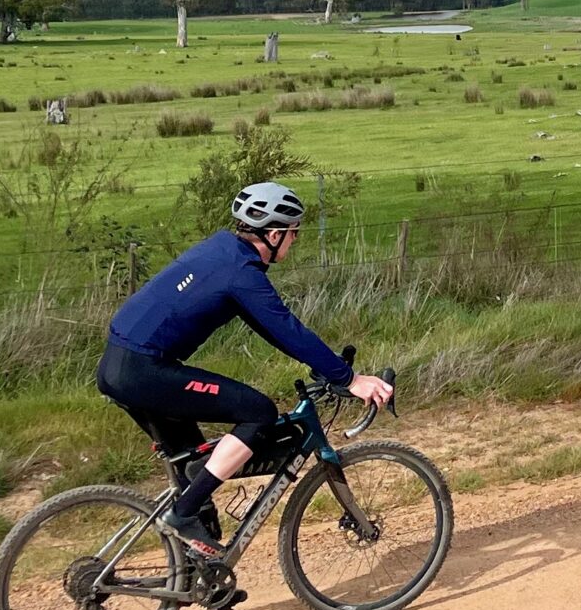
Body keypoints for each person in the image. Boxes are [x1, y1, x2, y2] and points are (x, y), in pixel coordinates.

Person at [95, 181, 393, 561]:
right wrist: (349, 379)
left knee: (193, 469)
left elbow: (273, 330)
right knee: (258, 412)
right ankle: (182, 515)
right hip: (143, 370)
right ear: (273, 234)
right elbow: (287, 329)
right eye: (293, 233)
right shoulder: (242, 273)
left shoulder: (221, 251)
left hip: (118, 365)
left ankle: (195, 574)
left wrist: (330, 368)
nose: (295, 241)